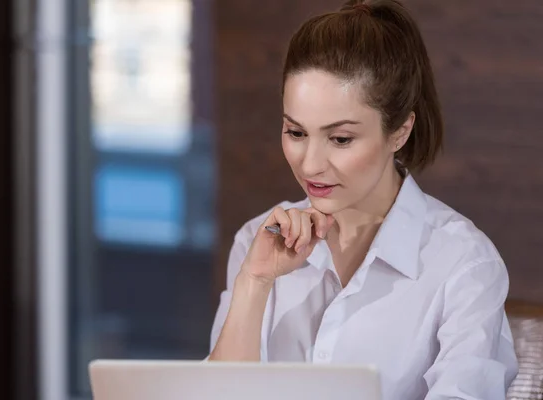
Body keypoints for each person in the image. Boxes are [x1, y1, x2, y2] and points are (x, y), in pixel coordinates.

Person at [207, 0, 518, 399]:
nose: (311, 164)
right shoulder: (258, 240)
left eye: (340, 139)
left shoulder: (462, 264)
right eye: (296, 133)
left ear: (399, 132)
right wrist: (255, 281)